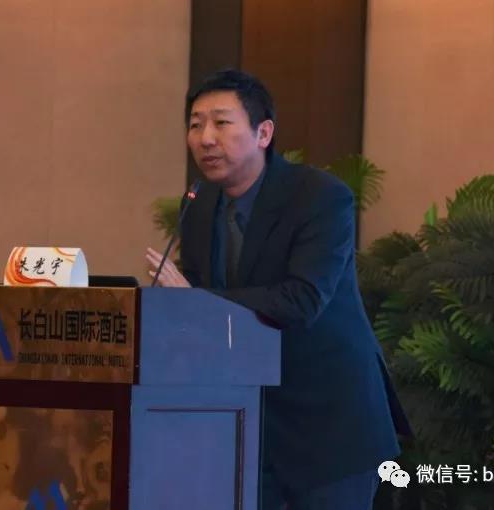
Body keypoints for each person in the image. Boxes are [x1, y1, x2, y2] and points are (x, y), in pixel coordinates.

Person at [146, 69, 410, 510]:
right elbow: (196, 301)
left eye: (221, 123)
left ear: (263, 133)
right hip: (244, 426)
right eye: (195, 125)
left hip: (328, 427)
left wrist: (194, 301)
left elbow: (301, 300)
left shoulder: (320, 196)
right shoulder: (200, 203)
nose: (205, 138)